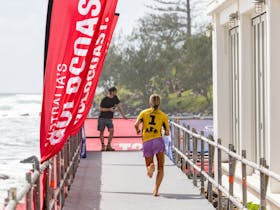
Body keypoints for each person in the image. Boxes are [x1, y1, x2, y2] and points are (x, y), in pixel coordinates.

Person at [134, 94, 170, 196]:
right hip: (158, 141)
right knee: (161, 168)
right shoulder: (163, 115)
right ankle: (156, 190)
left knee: (149, 165)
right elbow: (167, 132)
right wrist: (164, 131)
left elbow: (136, 124)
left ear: (150, 103)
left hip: (147, 141)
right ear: (160, 103)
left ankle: (150, 167)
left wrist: (138, 130)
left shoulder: (144, 113)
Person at [98, 87, 126, 151]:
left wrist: (123, 115)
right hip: (102, 118)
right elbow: (100, 109)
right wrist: (109, 109)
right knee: (102, 132)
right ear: (112, 92)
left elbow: (119, 107)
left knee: (112, 131)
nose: (116, 93)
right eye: (115, 92)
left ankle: (108, 145)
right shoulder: (104, 99)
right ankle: (103, 146)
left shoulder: (115, 98)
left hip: (109, 119)